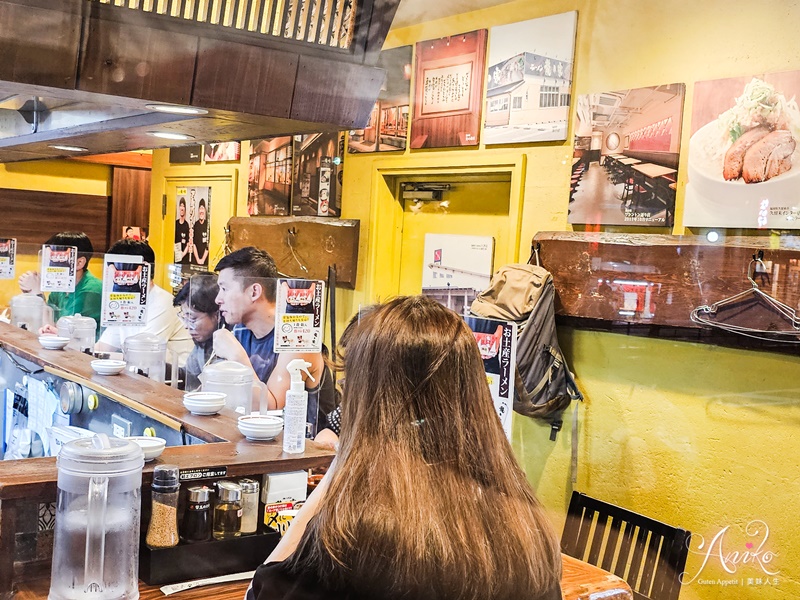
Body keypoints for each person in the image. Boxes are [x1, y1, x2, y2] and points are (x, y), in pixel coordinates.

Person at [247, 295, 563, 600]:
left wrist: (339, 471)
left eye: (350, 383)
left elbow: (260, 590)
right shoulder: (528, 528)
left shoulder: (356, 530)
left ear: (368, 396)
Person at [213, 247, 331, 413]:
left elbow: (270, 408)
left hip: (303, 437)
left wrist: (236, 357)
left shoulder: (297, 338)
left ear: (254, 292)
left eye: (224, 289)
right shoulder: (241, 331)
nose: (218, 299)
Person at [96, 239, 193, 360]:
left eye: (124, 269)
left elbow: (142, 357)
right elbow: (102, 347)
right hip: (140, 373)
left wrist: (102, 356)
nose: (118, 277)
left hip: (171, 375)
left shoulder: (163, 303)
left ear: (144, 270)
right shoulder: (124, 304)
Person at [19, 231, 103, 329]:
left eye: (57, 259)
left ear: (79, 263)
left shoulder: (91, 291)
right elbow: (48, 323)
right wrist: (31, 293)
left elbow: (55, 333)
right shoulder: (61, 286)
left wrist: (37, 294)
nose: (48, 266)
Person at [173, 273, 222, 391]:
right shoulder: (203, 341)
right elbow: (190, 375)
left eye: (192, 319)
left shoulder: (228, 343)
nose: (186, 326)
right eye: (184, 317)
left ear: (217, 315)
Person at [191, 198, 209, 267]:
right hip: (196, 259)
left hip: (205, 260)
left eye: (203, 208)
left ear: (205, 210)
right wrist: (198, 260)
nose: (201, 211)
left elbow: (208, 245)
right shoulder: (195, 225)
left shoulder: (207, 225)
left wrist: (203, 260)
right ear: (198, 210)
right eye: (200, 209)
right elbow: (194, 244)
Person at [175, 197, 191, 264]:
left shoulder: (186, 225)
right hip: (175, 256)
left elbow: (188, 242)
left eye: (183, 206)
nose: (182, 208)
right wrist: (177, 253)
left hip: (184, 257)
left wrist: (182, 254)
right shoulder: (175, 224)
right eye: (180, 206)